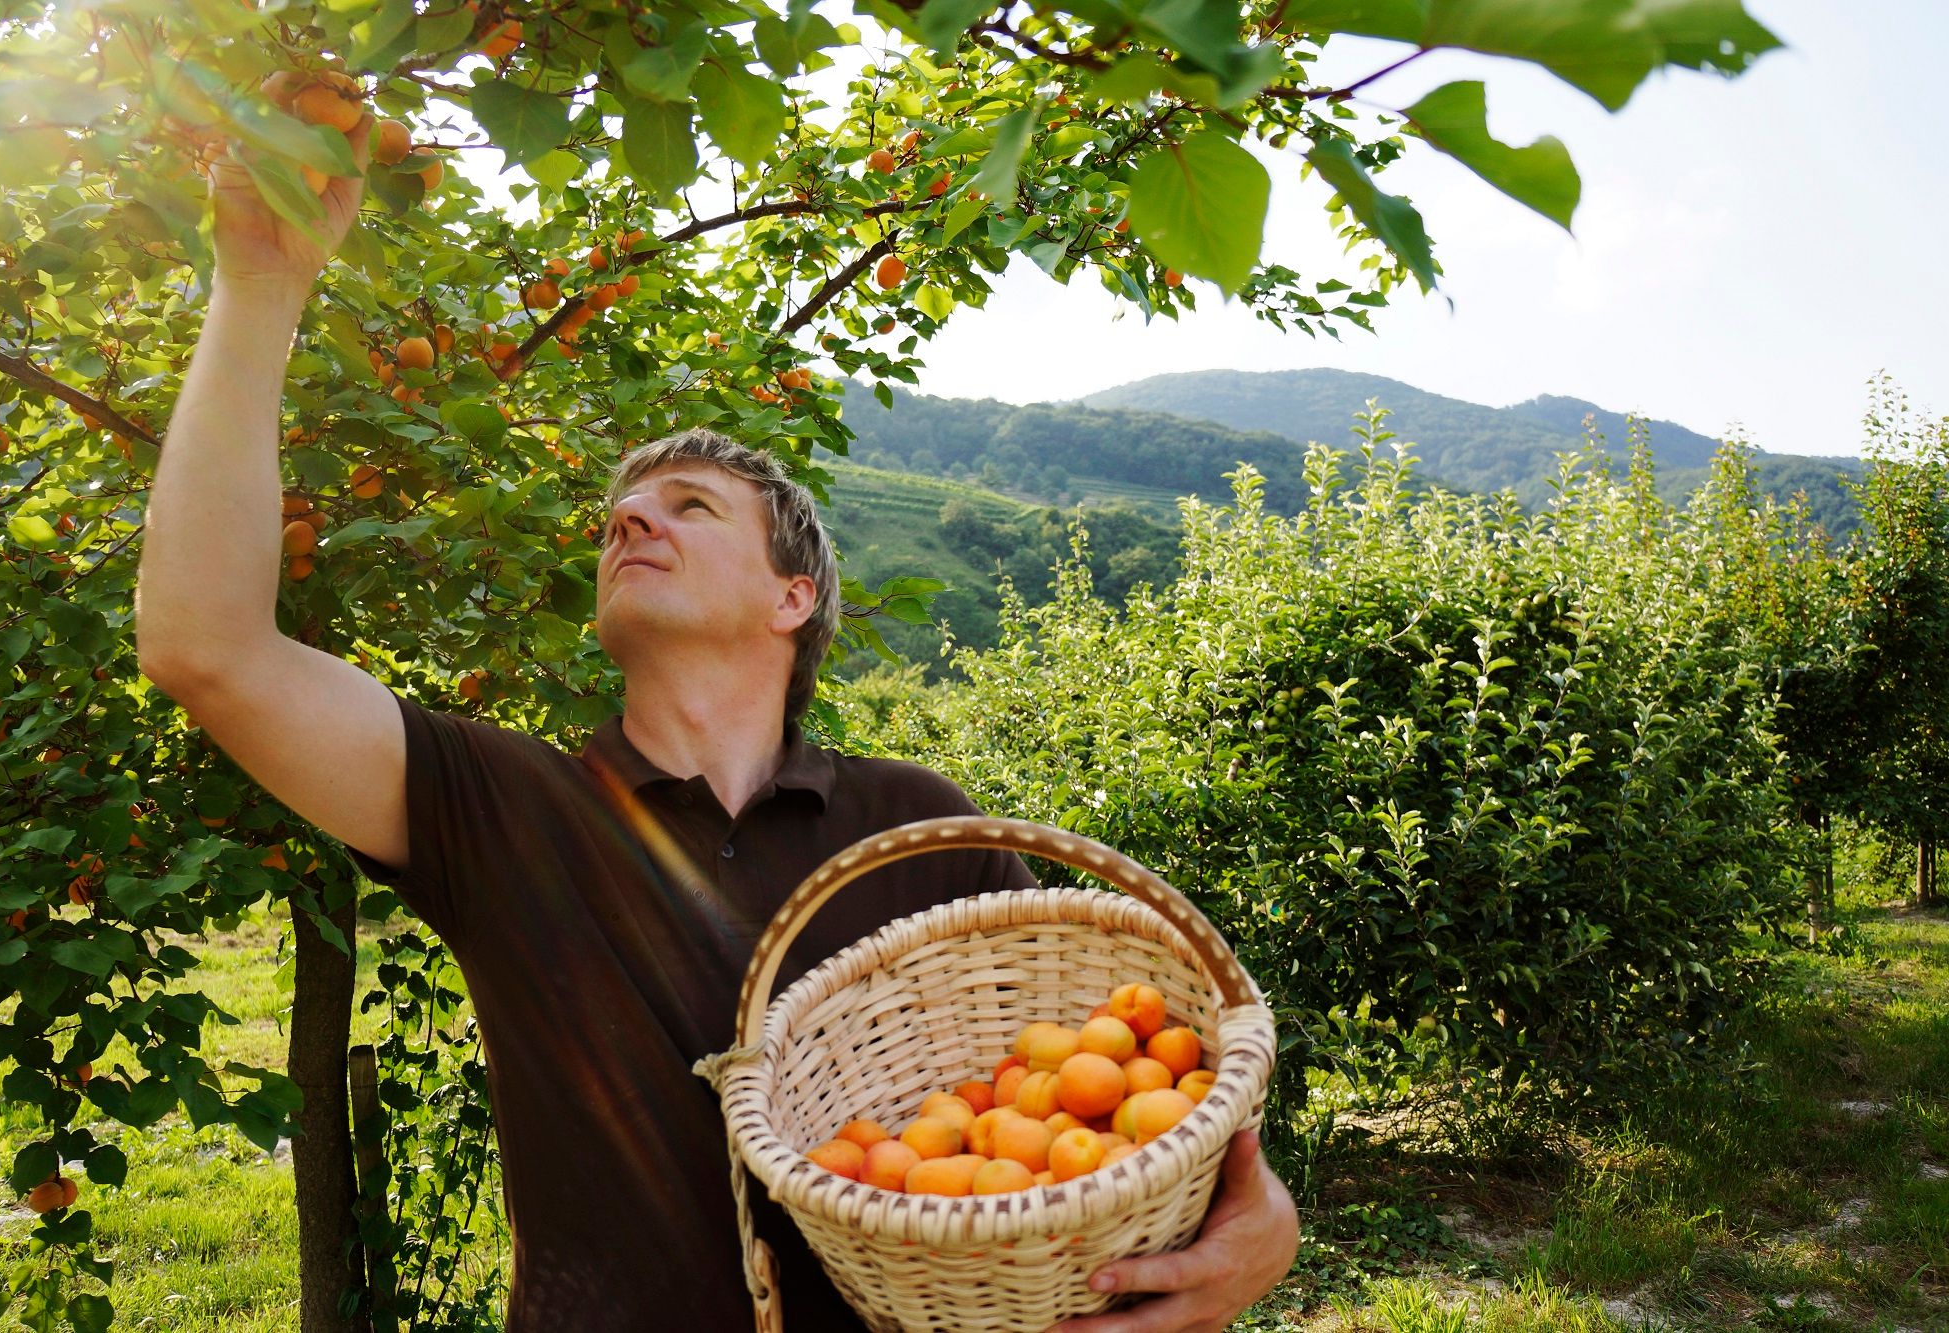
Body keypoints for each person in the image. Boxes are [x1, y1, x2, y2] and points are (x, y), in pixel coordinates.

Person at [135, 110, 1298, 1332]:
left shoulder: (917, 821)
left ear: (792, 596)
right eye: (619, 514)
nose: (631, 520)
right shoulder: (503, 805)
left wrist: (1257, 1216)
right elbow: (204, 645)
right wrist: (260, 286)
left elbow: (1123, 1076)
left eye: (687, 504)